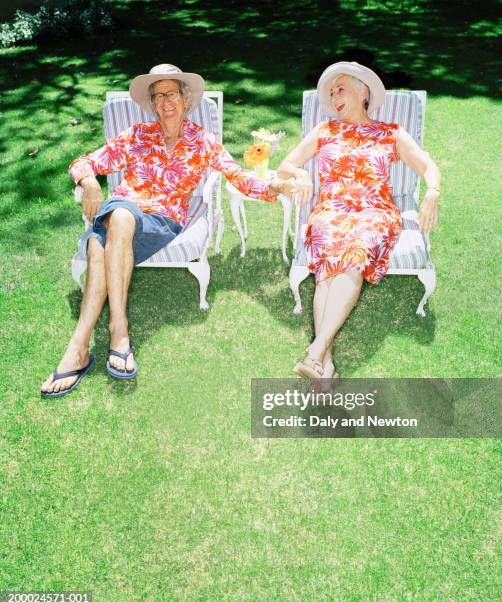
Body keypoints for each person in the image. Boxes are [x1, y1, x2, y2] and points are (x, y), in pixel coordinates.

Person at [41, 64, 293, 397]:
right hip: (120, 213)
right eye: (158, 95)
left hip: (161, 223)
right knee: (119, 216)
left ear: (185, 99)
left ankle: (85, 347)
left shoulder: (203, 142)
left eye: (171, 93)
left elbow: (236, 175)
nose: (165, 101)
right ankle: (111, 334)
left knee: (97, 247)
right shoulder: (136, 136)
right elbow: (83, 162)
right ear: (153, 103)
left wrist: (271, 188)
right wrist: (89, 182)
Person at [277, 61, 441, 379]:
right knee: (326, 271)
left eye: (341, 89)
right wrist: (299, 174)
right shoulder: (324, 131)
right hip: (330, 212)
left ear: (362, 91)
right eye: (331, 92)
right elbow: (286, 166)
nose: (334, 96)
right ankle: (325, 366)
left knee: (352, 256)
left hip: (373, 212)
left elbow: (427, 166)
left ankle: (316, 351)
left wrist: (432, 191)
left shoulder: (389, 133)